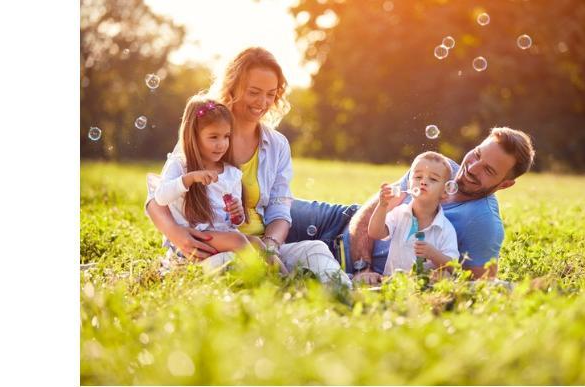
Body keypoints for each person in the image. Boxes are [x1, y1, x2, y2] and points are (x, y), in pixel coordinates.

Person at [146, 47, 349, 287]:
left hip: (259, 247)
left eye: (271, 94)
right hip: (211, 249)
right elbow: (156, 197)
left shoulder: (277, 145)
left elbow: (279, 209)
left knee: (315, 249)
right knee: (233, 265)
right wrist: (176, 234)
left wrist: (270, 247)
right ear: (233, 87)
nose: (263, 102)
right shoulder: (205, 131)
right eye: (254, 92)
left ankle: (345, 294)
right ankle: (282, 288)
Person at [285, 127, 536, 284]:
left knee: (275, 251)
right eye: (477, 154)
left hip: (344, 263)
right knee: (271, 210)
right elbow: (370, 211)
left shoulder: (484, 222)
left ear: (505, 184)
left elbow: (481, 284)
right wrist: (363, 266)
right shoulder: (438, 167)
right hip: (340, 220)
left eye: (488, 170)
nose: (472, 168)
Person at [147, 96, 282, 273]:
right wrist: (190, 178)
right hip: (194, 238)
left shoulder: (231, 173)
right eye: (213, 137)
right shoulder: (180, 165)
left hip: (221, 235)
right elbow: (160, 197)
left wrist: (237, 215)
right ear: (193, 136)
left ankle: (285, 278)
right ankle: (261, 277)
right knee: (238, 241)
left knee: (256, 242)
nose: (221, 144)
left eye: (226, 136)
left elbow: (235, 222)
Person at [367, 152, 460, 275]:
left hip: (424, 286)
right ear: (409, 184)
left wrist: (434, 254)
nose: (423, 182)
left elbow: (454, 267)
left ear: (445, 192)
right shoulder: (399, 213)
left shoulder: (445, 229)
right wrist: (382, 206)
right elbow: (374, 232)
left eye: (433, 179)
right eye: (418, 177)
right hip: (394, 282)